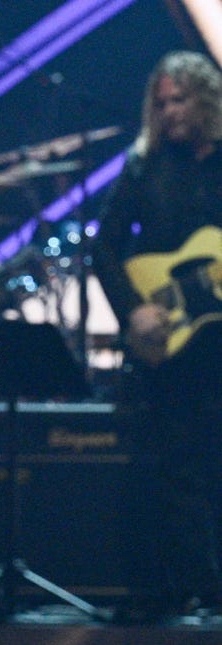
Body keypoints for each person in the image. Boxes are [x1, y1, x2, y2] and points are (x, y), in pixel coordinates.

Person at [93, 51, 222, 614]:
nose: (169, 112)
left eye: (180, 100)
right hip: (166, 337)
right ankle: (182, 589)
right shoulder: (143, 165)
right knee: (172, 464)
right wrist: (131, 311)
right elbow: (103, 248)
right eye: (161, 102)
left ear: (207, 100)